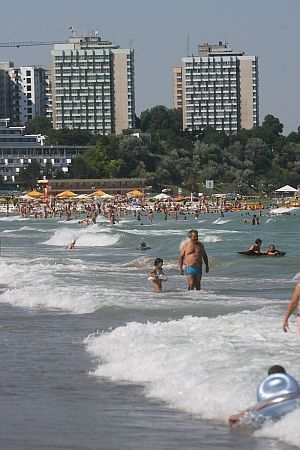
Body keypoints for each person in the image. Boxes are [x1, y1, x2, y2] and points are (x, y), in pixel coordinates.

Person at [229, 365, 300, 425]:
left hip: (272, 413)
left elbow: (259, 406)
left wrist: (241, 415)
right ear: (285, 374)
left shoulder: (266, 390)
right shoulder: (295, 385)